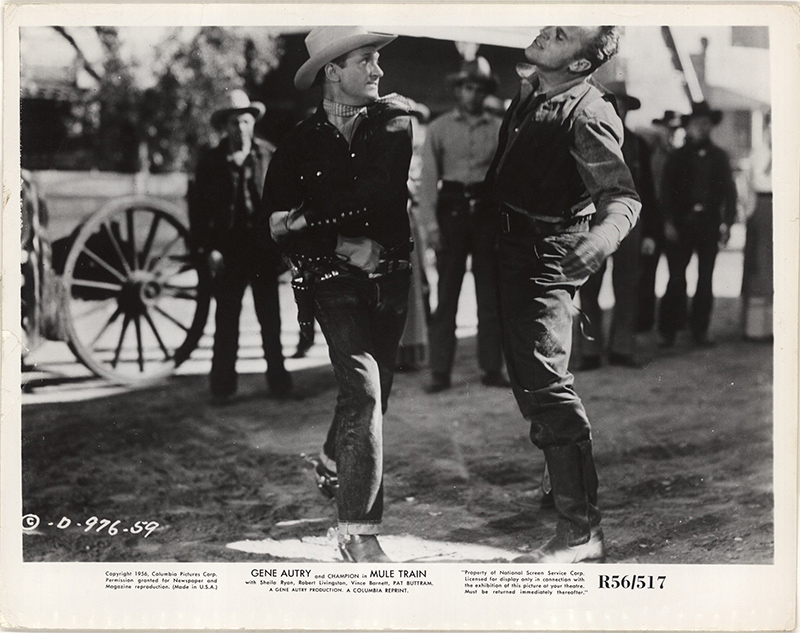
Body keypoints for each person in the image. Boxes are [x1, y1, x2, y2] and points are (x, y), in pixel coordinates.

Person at [486, 26, 641, 563]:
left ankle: (581, 533)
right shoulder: (538, 91)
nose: (550, 28)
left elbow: (621, 197)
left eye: (566, 34)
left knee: (547, 387)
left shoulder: (589, 112)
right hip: (512, 251)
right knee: (531, 382)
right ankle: (561, 483)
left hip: (545, 256)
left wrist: (602, 239)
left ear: (579, 65)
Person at [260, 26, 413, 562]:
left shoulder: (395, 123)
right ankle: (357, 532)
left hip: (393, 274)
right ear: (333, 70)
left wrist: (303, 216)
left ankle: (331, 456)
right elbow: (269, 223)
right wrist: (343, 241)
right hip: (330, 276)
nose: (378, 71)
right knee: (365, 390)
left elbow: (373, 191)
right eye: (367, 60)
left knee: (375, 394)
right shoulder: (299, 141)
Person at [189, 89, 293, 403]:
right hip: (228, 251)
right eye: (235, 123)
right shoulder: (211, 161)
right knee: (226, 320)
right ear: (226, 126)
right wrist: (210, 249)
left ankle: (279, 383)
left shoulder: (268, 155)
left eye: (246, 122)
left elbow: (282, 203)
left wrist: (283, 245)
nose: (241, 129)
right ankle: (222, 387)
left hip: (262, 251)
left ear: (253, 123)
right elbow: (198, 210)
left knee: (270, 319)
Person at [418, 56, 508, 393]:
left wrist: (503, 223)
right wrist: (431, 227)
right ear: (458, 89)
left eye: (479, 88)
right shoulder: (439, 128)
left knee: (490, 298)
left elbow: (504, 179)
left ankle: (491, 368)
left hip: (486, 215)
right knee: (447, 296)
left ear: (486, 92)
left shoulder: (499, 129)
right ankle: (440, 372)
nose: (473, 94)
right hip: (451, 213)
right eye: (467, 87)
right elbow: (428, 181)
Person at [574, 83, 657, 369]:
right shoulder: (585, 136)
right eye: (610, 103)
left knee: (627, 287)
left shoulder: (638, 144)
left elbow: (648, 190)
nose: (616, 109)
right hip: (592, 223)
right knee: (588, 286)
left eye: (621, 104)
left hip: (630, 223)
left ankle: (622, 348)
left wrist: (650, 233)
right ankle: (590, 351)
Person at [657, 102, 737, 348]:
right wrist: (668, 222)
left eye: (705, 124)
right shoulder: (677, 157)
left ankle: (699, 329)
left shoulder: (719, 157)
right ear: (688, 127)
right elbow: (666, 193)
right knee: (677, 278)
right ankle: (669, 330)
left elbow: (730, 194)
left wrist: (727, 224)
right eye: (696, 124)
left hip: (709, 223)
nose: (701, 129)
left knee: (705, 279)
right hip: (682, 224)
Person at [639, 110, 684, 332]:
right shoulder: (650, 155)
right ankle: (644, 323)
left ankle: (669, 325)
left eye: (675, 129)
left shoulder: (680, 157)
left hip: (673, 221)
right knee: (647, 275)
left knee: (676, 276)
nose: (671, 133)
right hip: (652, 221)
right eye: (667, 128)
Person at [740, 112, 772, 341]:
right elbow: (751, 183)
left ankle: (776, 326)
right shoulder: (759, 152)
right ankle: (756, 328)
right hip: (763, 207)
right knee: (759, 266)